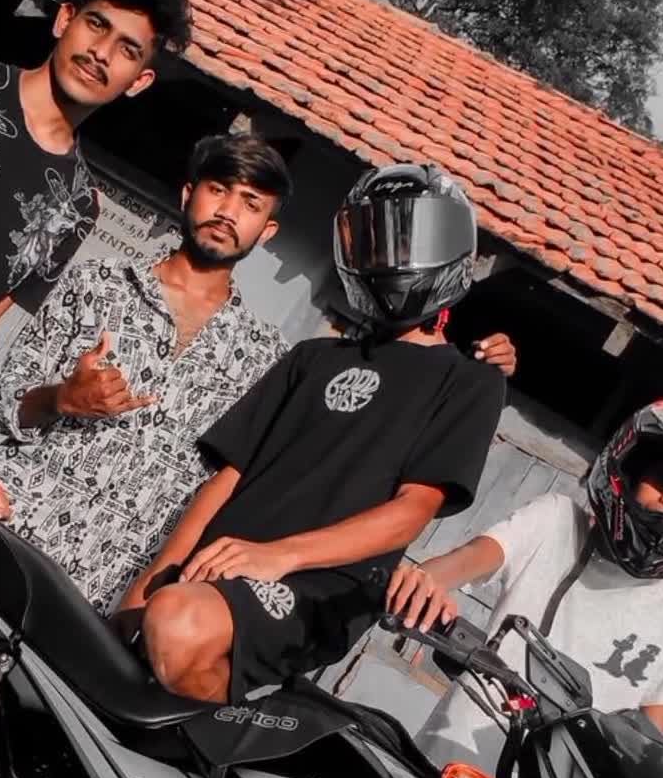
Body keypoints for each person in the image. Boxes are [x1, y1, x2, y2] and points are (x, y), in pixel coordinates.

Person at [117, 162, 506, 704]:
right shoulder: (312, 357)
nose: (389, 257)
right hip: (215, 564)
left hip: (317, 586)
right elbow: (229, 477)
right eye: (373, 240)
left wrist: (280, 556)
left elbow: (411, 512)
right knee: (134, 636)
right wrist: (148, 583)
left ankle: (237, 722)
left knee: (178, 627)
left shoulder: (470, 382)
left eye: (406, 239)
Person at [0, 134, 292, 614]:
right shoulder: (97, 283)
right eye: (218, 189)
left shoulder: (265, 358)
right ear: (188, 195)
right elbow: (1, 401)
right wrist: (60, 398)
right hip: (11, 535)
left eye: (250, 202)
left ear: (266, 231)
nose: (228, 212)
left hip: (109, 594)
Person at [0, 0, 191, 517]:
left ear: (139, 82)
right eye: (96, 24)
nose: (101, 53)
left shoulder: (76, 205)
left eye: (128, 49)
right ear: (65, 19)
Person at [386, 398, 663, 755]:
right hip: (454, 763)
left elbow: (651, 743)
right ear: (629, 466)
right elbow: (471, 559)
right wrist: (424, 578)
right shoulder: (557, 521)